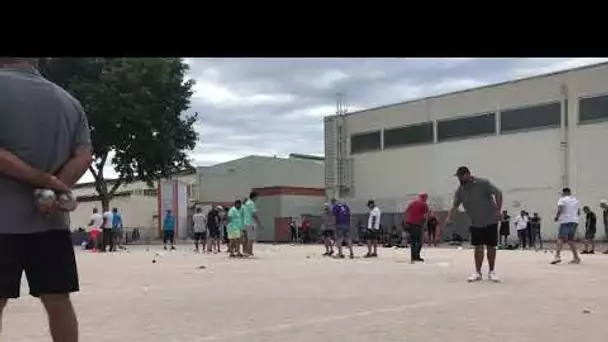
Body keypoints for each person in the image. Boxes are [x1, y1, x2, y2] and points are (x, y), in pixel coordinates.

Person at [0, 57, 93, 342]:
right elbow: (84, 155)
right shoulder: (68, 101)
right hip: (52, 223)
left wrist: (44, 182)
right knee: (57, 301)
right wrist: (54, 189)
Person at [446, 166, 502, 283]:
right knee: (478, 247)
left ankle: (492, 272)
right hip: (475, 222)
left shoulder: (483, 183)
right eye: (458, 177)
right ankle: (478, 272)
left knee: (491, 246)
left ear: (467, 174)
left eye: (461, 176)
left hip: (490, 219)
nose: (459, 179)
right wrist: (449, 217)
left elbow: (498, 193)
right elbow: (455, 205)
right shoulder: (460, 190)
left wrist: (498, 210)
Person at [551, 188, 581, 265]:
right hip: (574, 221)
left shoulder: (562, 199)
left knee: (560, 238)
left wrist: (557, 217)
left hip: (565, 221)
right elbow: (578, 212)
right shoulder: (576, 200)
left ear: (564, 192)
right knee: (570, 240)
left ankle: (557, 256)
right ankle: (576, 258)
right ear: (570, 192)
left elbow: (560, 209)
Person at [405, 193, 429, 263]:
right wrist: (425, 226)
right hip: (417, 224)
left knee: (413, 241)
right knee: (419, 241)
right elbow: (426, 216)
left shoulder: (412, 203)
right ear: (425, 198)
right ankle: (417, 256)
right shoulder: (424, 204)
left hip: (409, 224)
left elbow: (407, 211)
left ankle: (413, 257)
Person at [242, 191, 260, 256]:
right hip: (250, 223)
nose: (257, 198)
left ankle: (245, 251)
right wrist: (258, 222)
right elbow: (254, 215)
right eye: (257, 197)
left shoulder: (246, 203)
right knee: (250, 238)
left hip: (245, 222)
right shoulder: (252, 203)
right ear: (254, 196)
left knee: (246, 238)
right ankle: (249, 252)